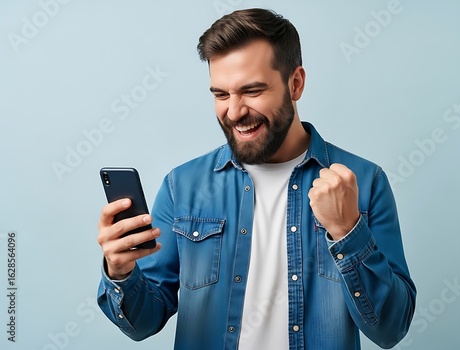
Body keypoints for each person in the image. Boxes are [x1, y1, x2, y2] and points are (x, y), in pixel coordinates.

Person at [97, 8, 416, 350]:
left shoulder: (364, 183)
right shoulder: (182, 187)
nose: (234, 112)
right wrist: (120, 273)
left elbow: (390, 329)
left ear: (296, 84)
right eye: (220, 94)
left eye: (251, 91)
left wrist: (347, 230)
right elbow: (144, 322)